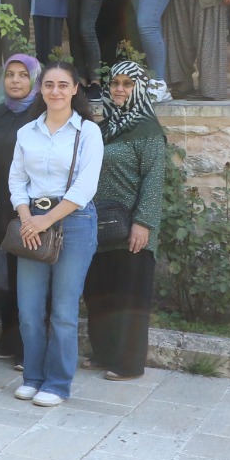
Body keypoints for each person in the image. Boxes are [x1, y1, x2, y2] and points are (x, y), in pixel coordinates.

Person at [9, 62, 102, 407]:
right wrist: (26, 218)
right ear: (40, 89)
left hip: (74, 221)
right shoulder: (27, 132)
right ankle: (33, 377)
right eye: (49, 85)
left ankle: (58, 383)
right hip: (31, 220)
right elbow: (16, 181)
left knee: (63, 309)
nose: (56, 91)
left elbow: (85, 187)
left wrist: (45, 221)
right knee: (29, 309)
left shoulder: (87, 132)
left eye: (63, 85)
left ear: (75, 89)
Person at [85, 60, 166, 381]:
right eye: (115, 83)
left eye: (127, 84)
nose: (119, 89)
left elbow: (153, 179)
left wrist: (143, 223)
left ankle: (128, 363)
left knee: (129, 296)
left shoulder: (147, 130)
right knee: (100, 292)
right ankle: (104, 352)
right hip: (100, 224)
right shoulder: (103, 128)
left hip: (132, 227)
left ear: (139, 89)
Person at [0, 54, 42, 362]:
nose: (16, 80)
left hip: (30, 210)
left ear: (33, 79)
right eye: (10, 74)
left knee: (28, 277)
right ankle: (7, 341)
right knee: (6, 276)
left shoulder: (41, 115)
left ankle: (27, 348)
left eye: (22, 75)